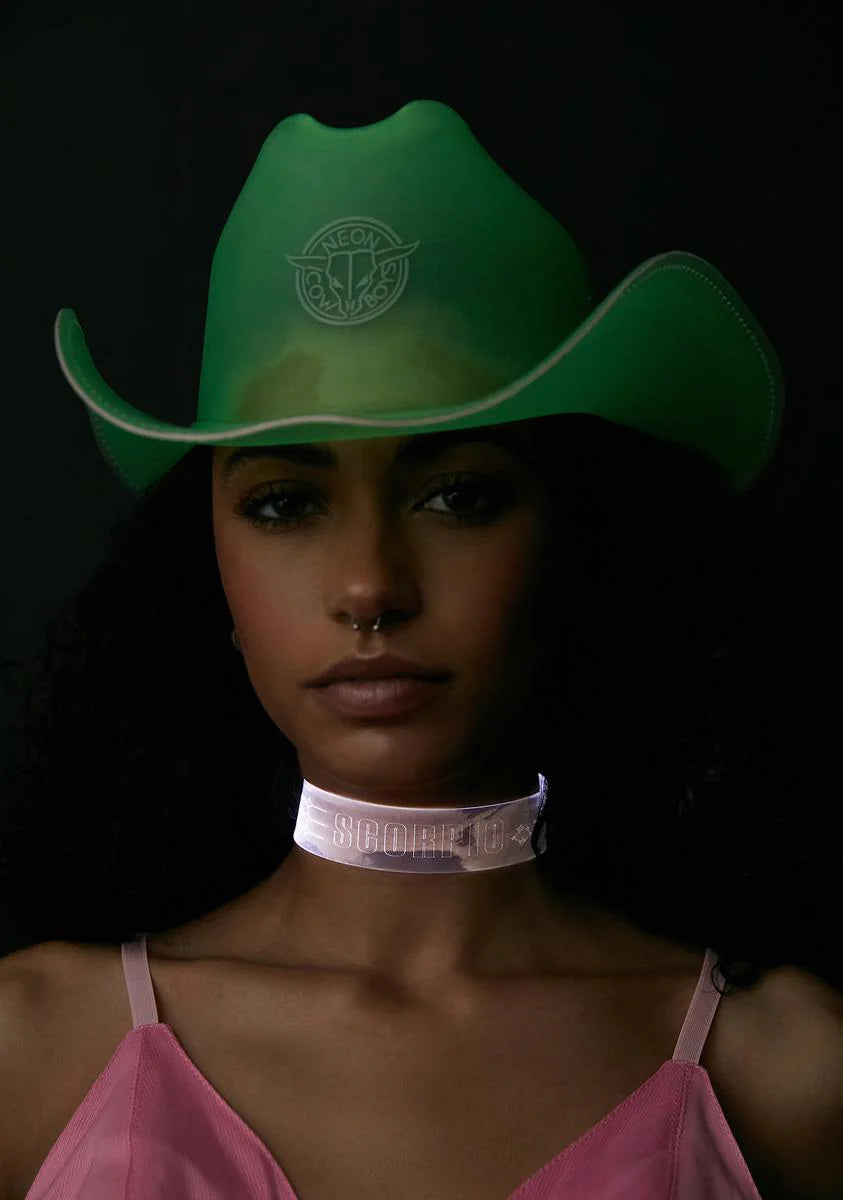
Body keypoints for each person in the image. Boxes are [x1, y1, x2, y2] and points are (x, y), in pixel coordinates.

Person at [1, 99, 840, 1199]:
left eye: (459, 495)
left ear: (580, 538)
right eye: (285, 503)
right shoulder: (30, 1051)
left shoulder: (788, 1075)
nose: (369, 586)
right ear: (205, 562)